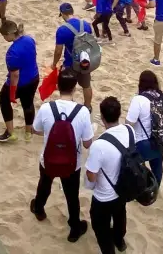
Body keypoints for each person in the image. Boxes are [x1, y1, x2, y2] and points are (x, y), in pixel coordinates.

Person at [29, 68, 94, 243]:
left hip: (48, 158)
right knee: (72, 195)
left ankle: (39, 209)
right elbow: (88, 143)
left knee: (44, 185)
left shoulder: (46, 108)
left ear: (58, 86)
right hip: (72, 162)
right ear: (74, 88)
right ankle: (74, 227)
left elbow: (35, 130)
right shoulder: (82, 112)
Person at [85, 97, 131, 254]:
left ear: (102, 118)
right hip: (124, 187)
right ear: (119, 114)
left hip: (104, 195)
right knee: (120, 215)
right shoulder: (129, 131)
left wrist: (89, 184)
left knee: (100, 227)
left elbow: (91, 175)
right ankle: (119, 240)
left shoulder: (99, 145)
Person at [0, 19, 40, 143]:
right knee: (28, 103)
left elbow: (15, 75)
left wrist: (12, 93)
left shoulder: (12, 52)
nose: (4, 38)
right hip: (34, 77)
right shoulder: (29, 39)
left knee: (3, 99)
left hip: (21, 82)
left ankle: (11, 133)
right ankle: (28, 131)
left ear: (9, 34)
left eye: (4, 36)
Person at [126, 70, 163, 185]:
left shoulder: (138, 99)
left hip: (143, 143)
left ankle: (140, 189)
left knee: (135, 165)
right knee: (157, 164)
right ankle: (156, 187)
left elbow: (129, 123)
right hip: (161, 141)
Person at [52, 3, 96, 108]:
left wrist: (54, 64)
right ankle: (88, 106)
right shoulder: (85, 24)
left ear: (62, 14)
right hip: (85, 61)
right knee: (86, 86)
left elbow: (58, 51)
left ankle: (69, 107)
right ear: (72, 12)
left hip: (70, 63)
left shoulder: (62, 30)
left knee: (68, 88)